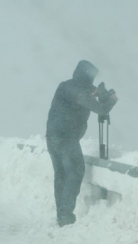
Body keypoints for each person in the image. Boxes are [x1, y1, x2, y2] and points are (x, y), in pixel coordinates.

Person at [46, 60, 118, 227]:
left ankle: (61, 215)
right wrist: (112, 100)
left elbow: (79, 98)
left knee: (61, 175)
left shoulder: (66, 86)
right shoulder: (79, 91)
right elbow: (100, 109)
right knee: (75, 172)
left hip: (52, 137)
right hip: (66, 138)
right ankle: (65, 216)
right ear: (88, 76)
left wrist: (95, 93)